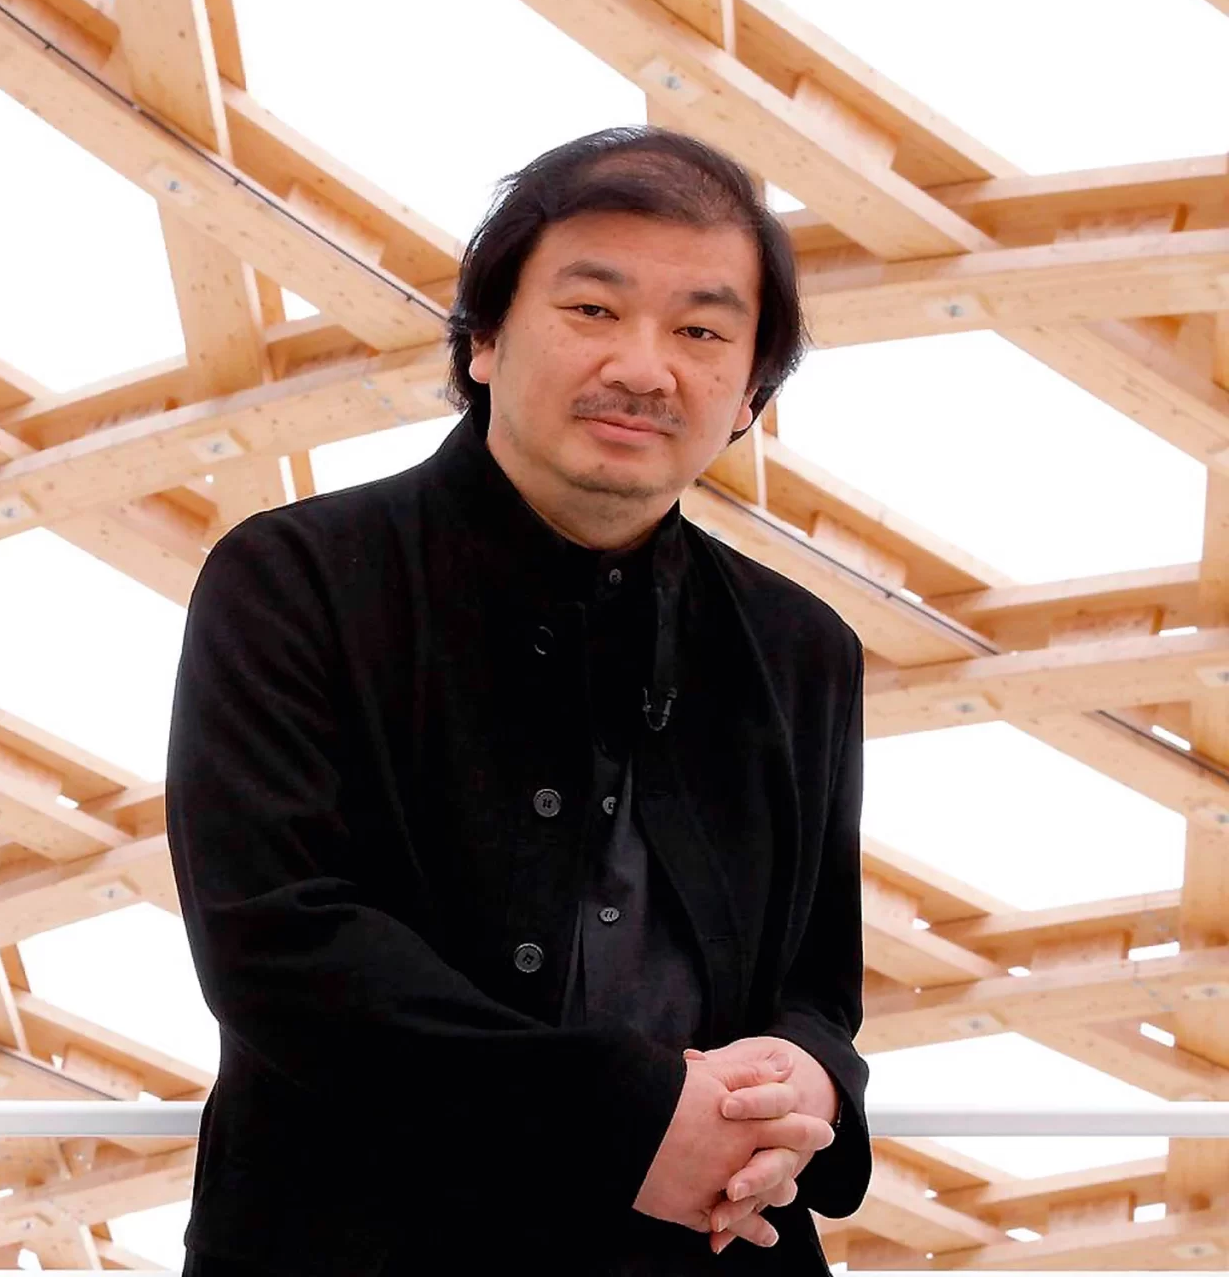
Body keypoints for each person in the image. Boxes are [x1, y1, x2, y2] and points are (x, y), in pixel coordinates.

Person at [166, 127, 870, 1274]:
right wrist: (632, 1119)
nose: (644, 368)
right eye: (593, 309)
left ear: (748, 393)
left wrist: (807, 1083)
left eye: (700, 332)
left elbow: (814, 987)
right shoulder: (294, 577)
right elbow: (277, 945)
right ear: (484, 338)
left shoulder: (804, 649)